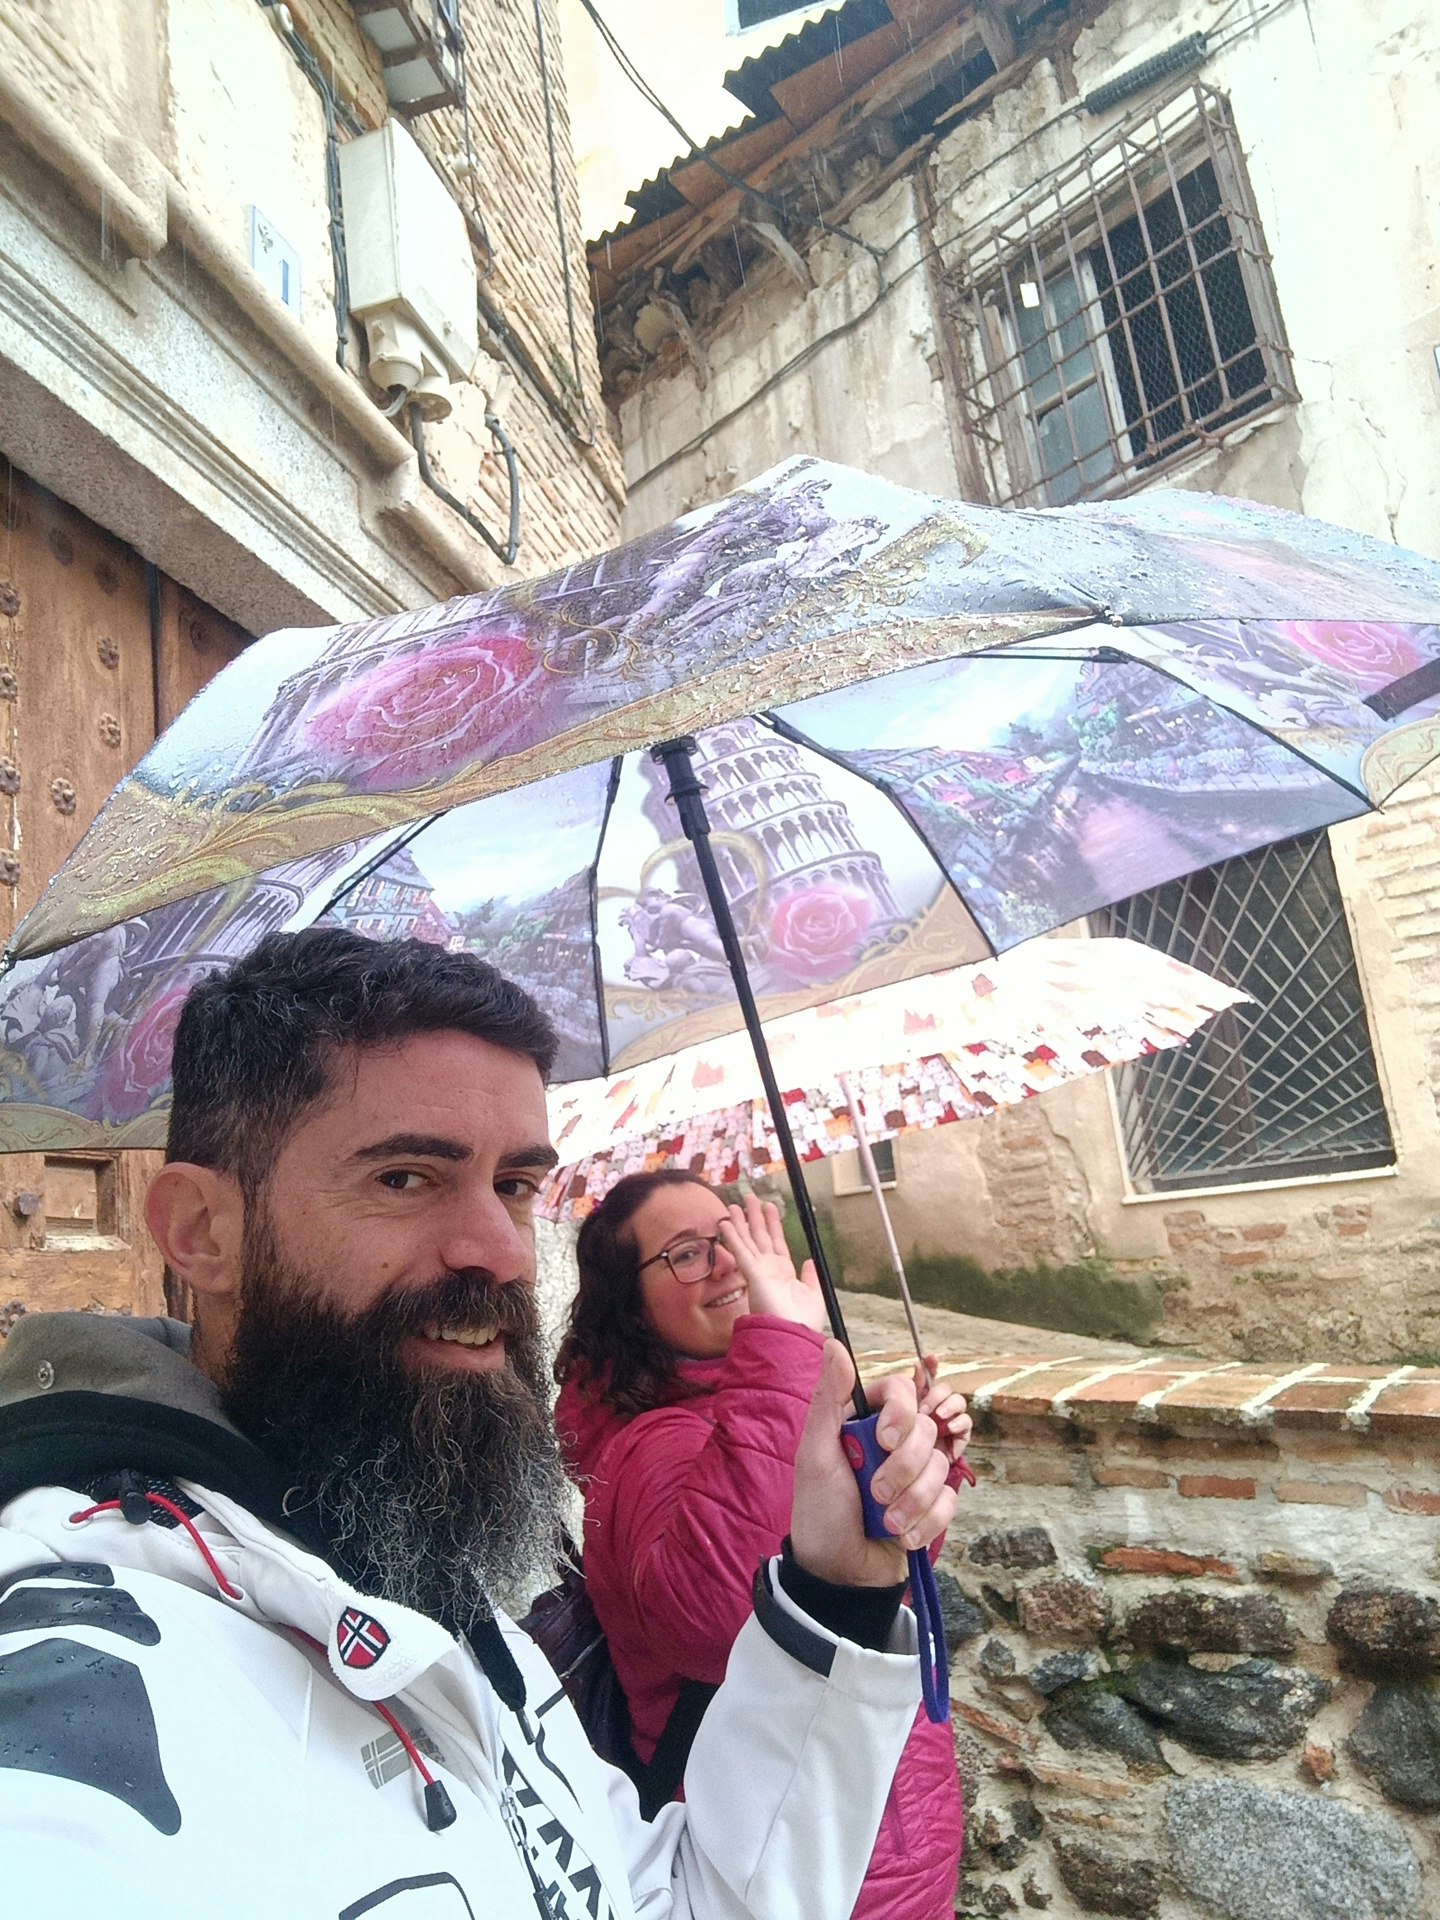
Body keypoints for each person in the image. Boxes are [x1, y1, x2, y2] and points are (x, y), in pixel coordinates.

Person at [0, 929, 958, 1919]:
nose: (501, 1251)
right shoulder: (74, 1674)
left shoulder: (426, 1578)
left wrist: (838, 1588)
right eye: (405, 1178)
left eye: (514, 1186)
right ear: (203, 1232)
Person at [555, 1171, 972, 1920]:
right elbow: (727, 1623)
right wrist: (788, 1349)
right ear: (630, 1302)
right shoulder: (644, 1447)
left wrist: (904, 1463)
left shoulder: (771, 1401)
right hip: (776, 1865)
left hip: (877, 1838)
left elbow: (873, 1594)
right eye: (687, 1254)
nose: (728, 1264)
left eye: (730, 1237)